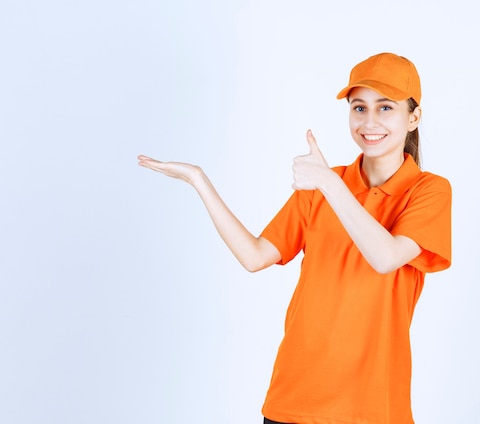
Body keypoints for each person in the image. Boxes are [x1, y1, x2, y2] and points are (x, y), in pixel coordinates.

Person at [138, 52, 452, 424]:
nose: (369, 121)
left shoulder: (427, 191)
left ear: (413, 117)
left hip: (371, 408)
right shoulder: (321, 185)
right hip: (293, 400)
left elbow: (386, 257)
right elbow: (255, 256)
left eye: (385, 108)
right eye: (358, 107)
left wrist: (329, 183)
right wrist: (199, 181)